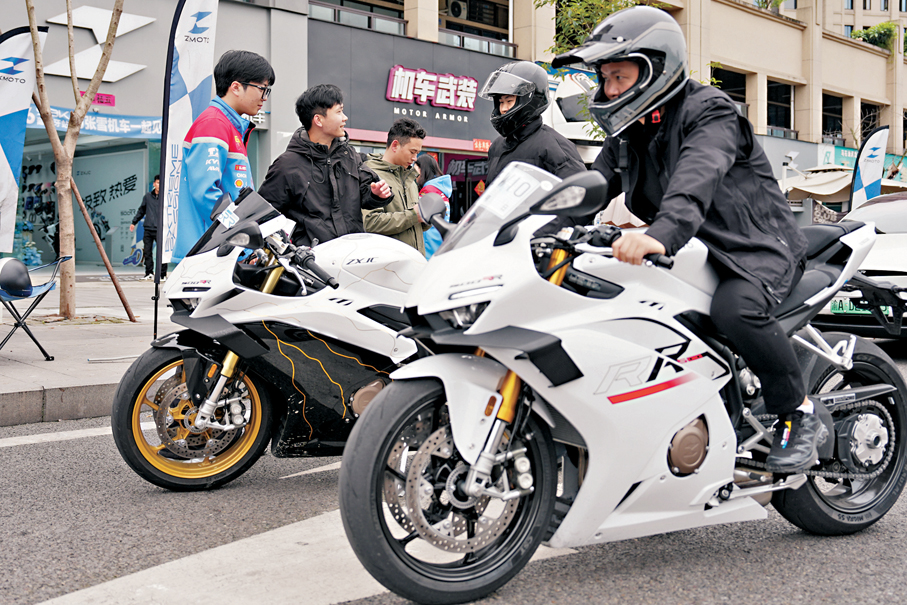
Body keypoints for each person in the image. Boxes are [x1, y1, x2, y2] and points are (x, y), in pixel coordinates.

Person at [553, 6, 818, 473]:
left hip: (755, 249)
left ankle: (797, 413)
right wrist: (540, 225)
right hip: (694, 252)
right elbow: (592, 186)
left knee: (735, 311)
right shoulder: (628, 132)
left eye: (619, 76)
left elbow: (696, 176)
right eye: (606, 79)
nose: (610, 89)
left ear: (656, 68)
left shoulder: (710, 111)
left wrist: (661, 234)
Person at [171, 50, 275, 261]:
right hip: (210, 251)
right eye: (262, 89)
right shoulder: (214, 123)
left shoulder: (229, 125)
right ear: (236, 87)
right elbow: (207, 194)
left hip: (221, 249)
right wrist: (243, 236)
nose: (264, 98)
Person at [258, 84, 392, 247]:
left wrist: (376, 194)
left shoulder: (348, 155)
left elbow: (366, 193)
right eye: (339, 112)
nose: (345, 118)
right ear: (318, 120)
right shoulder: (287, 165)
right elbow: (264, 216)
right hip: (310, 265)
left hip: (351, 256)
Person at [479, 61, 587, 232]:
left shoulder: (554, 146)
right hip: (497, 242)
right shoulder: (497, 147)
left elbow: (579, 202)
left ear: (529, 100)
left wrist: (538, 234)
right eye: (500, 102)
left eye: (509, 100)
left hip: (537, 247)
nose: (503, 108)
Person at [363, 118, 429, 254]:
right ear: (395, 145)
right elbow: (370, 223)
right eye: (412, 152)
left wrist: (427, 217)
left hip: (415, 263)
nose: (415, 158)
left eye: (417, 153)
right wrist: (414, 215)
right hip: (388, 266)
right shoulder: (370, 175)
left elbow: (413, 225)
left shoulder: (410, 177)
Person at [414, 155, 452, 259]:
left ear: (422, 170)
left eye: (415, 169)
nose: (414, 174)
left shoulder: (428, 190)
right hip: (439, 239)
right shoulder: (440, 188)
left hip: (428, 242)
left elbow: (419, 216)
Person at [130, 175, 166, 281]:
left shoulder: (165, 197)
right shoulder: (147, 197)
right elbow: (141, 210)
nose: (159, 185)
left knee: (162, 253)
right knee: (147, 252)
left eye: (161, 183)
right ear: (154, 184)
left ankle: (162, 274)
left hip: (161, 229)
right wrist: (134, 222)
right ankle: (149, 272)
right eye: (158, 183)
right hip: (148, 229)